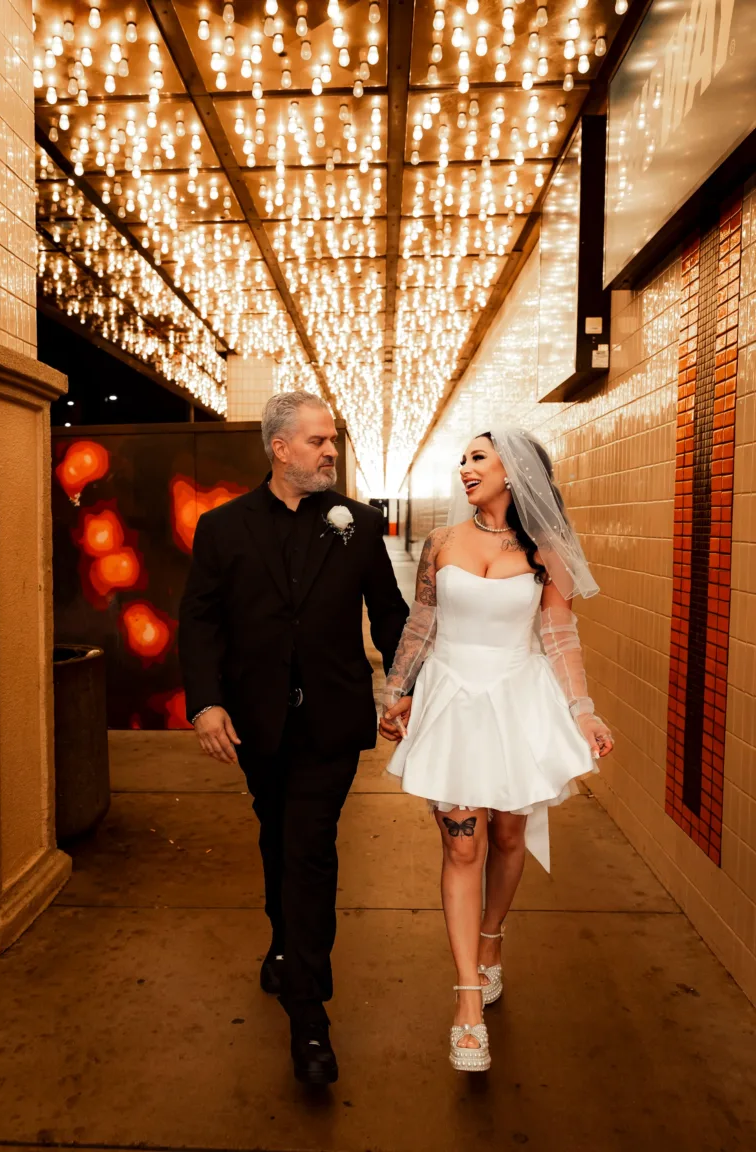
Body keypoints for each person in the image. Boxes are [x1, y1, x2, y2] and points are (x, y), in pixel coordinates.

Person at [179, 391, 409, 1086]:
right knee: (275, 834)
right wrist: (207, 703)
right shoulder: (222, 528)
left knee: (308, 848)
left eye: (331, 439)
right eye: (317, 441)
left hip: (332, 724)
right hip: (256, 724)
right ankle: (284, 941)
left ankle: (310, 1019)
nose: (330, 451)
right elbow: (200, 622)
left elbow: (392, 617)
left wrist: (406, 691)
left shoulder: (359, 526)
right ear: (280, 448)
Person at [379, 427, 613, 1073]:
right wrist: (397, 690)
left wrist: (583, 711)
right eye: (462, 459)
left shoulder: (548, 551)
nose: (463, 468)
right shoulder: (442, 543)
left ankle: (490, 940)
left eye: (477, 457)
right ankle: (467, 1004)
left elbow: (560, 636)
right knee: (462, 844)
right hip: (452, 702)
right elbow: (421, 620)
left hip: (516, 700)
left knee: (509, 837)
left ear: (516, 471)